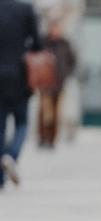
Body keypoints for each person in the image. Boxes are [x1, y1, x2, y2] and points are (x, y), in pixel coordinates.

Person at [0, 0, 41, 188]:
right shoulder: (25, 9)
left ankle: (0, 177)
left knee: (0, 126)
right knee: (22, 122)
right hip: (19, 75)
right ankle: (11, 154)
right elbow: (37, 43)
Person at [37, 19, 77, 148]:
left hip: (60, 83)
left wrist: (66, 73)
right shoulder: (43, 42)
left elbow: (73, 60)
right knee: (44, 112)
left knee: (56, 112)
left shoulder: (65, 43)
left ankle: (52, 139)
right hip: (45, 83)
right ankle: (42, 137)